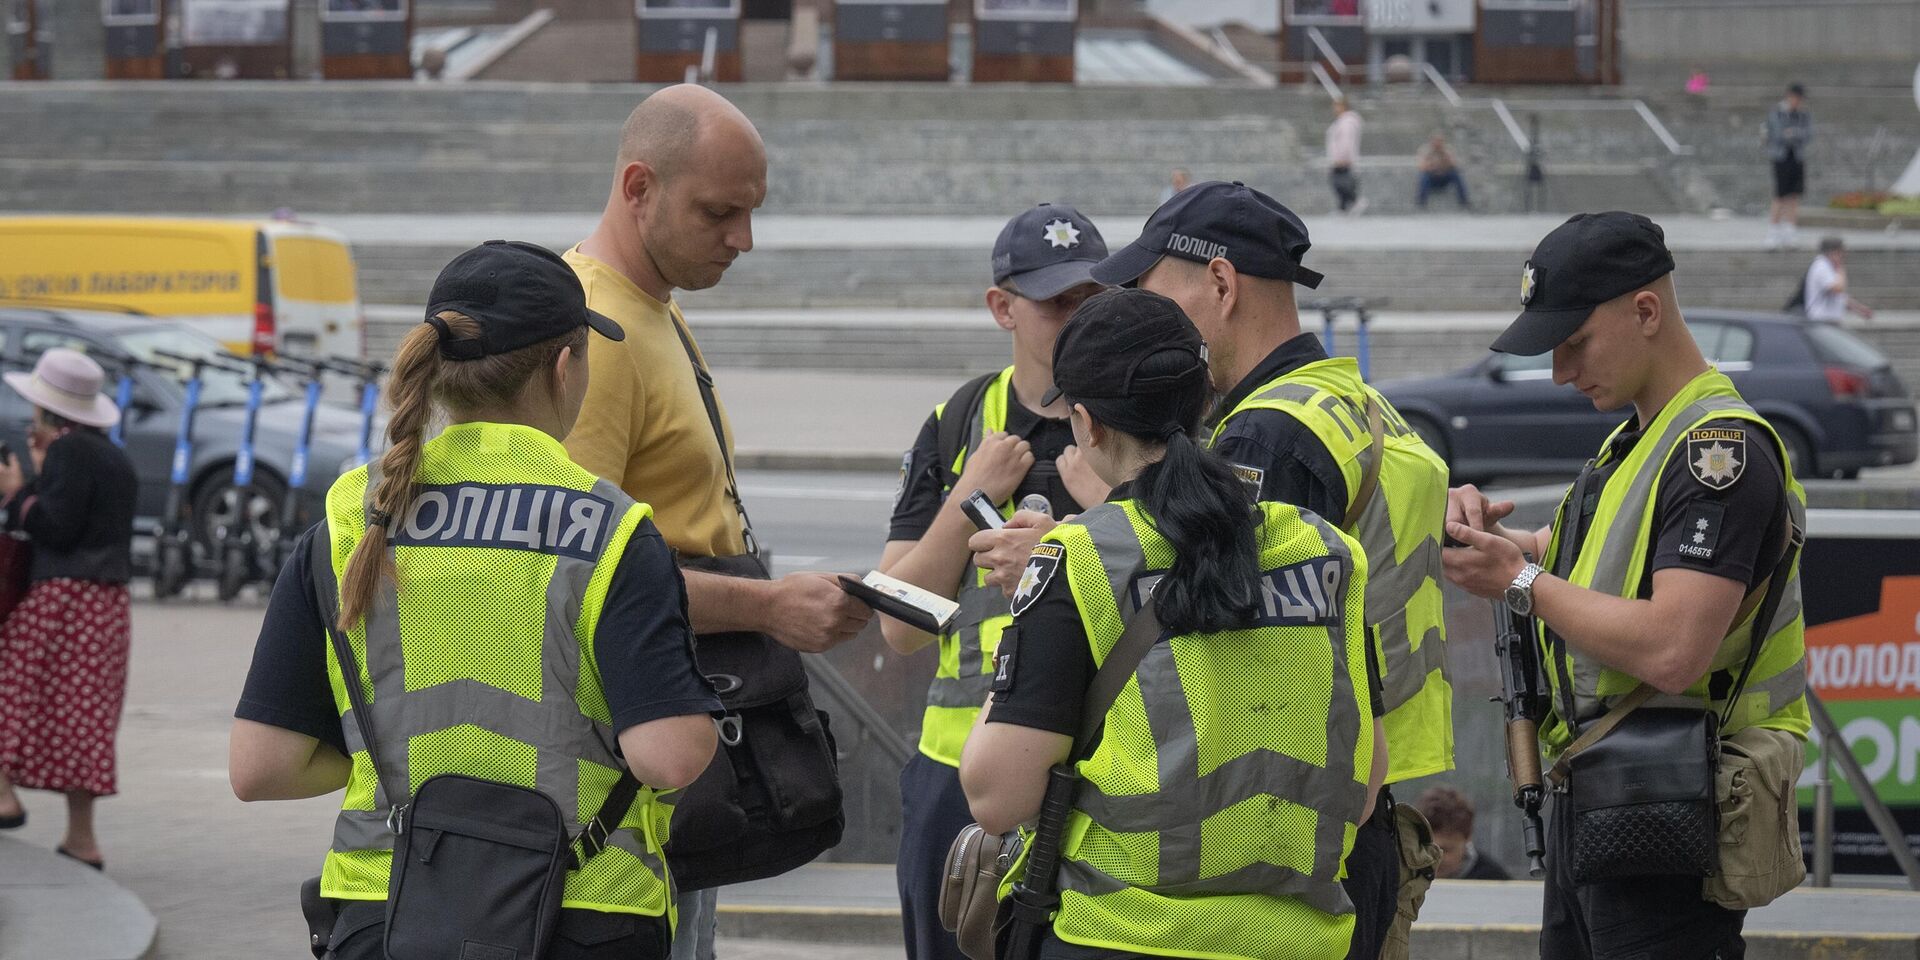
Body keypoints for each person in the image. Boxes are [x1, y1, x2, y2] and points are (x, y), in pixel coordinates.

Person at [229, 241, 722, 959]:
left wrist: (385, 758)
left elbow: (260, 767)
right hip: (582, 913)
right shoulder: (607, 529)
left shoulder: (349, 520)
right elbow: (670, 757)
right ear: (565, 366)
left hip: (385, 911)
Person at [1036, 180, 1453, 960]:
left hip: (1295, 831)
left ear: (1219, 283)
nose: (1149, 317)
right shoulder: (1354, 401)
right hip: (1362, 793)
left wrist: (1104, 514)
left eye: (1153, 291)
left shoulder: (1265, 436)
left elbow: (1236, 646)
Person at [959, 287, 1386, 960]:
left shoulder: (1081, 558)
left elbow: (996, 795)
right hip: (1303, 942)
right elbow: (1362, 789)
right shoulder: (1327, 550)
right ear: (1206, 401)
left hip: (1123, 938)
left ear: (1085, 423)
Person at [1442, 212, 1809, 960]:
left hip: (1669, 817)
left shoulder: (1719, 451)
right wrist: (1496, 541)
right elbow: (1588, 560)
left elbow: (1676, 647)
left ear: (1646, 310)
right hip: (1607, 801)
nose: (1560, 372)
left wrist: (1517, 580)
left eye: (1574, 343)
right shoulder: (1640, 437)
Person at [561, 83, 873, 958]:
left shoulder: (652, 308)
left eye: (752, 212)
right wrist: (768, 609)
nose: (743, 239)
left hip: (671, 734)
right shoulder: (593, 334)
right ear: (638, 187)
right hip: (631, 758)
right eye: (720, 212)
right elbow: (578, 574)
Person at [877, 202, 1110, 960]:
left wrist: (1069, 546)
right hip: (960, 773)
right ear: (1002, 307)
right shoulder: (961, 420)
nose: (1074, 318)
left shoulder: (1134, 420)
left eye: (1089, 298)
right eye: (1054, 302)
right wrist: (964, 496)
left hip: (1103, 770)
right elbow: (898, 624)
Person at [0, 348, 138, 870]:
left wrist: (16, 494)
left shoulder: (69, 452)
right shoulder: (111, 454)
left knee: (9, 680)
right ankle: (82, 839)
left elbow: (56, 527)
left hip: (64, 598)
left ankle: (4, 796)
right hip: (106, 603)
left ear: (46, 411)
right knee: (85, 718)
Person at [1414, 786, 1511, 881]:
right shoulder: (1403, 875)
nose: (1435, 860)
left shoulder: (1494, 881)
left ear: (1468, 838)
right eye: (1426, 850)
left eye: (1445, 850)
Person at [1765, 83, 1812, 249]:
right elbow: (1777, 134)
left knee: (1794, 196)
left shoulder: (1803, 115)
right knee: (1780, 195)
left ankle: (1790, 234)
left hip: (1796, 157)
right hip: (1781, 157)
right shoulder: (1778, 113)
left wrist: (1793, 133)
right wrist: (1793, 134)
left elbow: (1808, 134)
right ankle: (1773, 233)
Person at [1802, 236, 1875, 323]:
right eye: (1841, 252)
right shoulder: (1821, 266)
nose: (1844, 255)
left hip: (1829, 321)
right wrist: (1840, 267)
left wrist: (1859, 309)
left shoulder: (1828, 267)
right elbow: (1838, 289)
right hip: (1821, 321)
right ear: (1834, 252)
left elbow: (1839, 297)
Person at [1327, 98, 1366, 215]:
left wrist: (1343, 158)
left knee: (1341, 182)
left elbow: (1346, 141)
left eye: (1336, 106)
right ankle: (1343, 207)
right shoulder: (1342, 121)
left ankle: (1354, 202)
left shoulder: (1347, 122)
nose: (1334, 109)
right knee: (1340, 182)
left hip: (1343, 159)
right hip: (1339, 158)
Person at [1416, 134, 1469, 209]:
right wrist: (1432, 166)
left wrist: (1445, 156)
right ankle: (1421, 203)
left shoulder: (1447, 150)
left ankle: (1464, 201)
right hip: (1432, 178)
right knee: (1424, 176)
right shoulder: (1426, 150)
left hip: (1444, 177)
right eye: (1436, 141)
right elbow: (1421, 167)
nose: (1438, 143)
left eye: (1440, 141)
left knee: (1455, 174)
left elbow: (1455, 165)